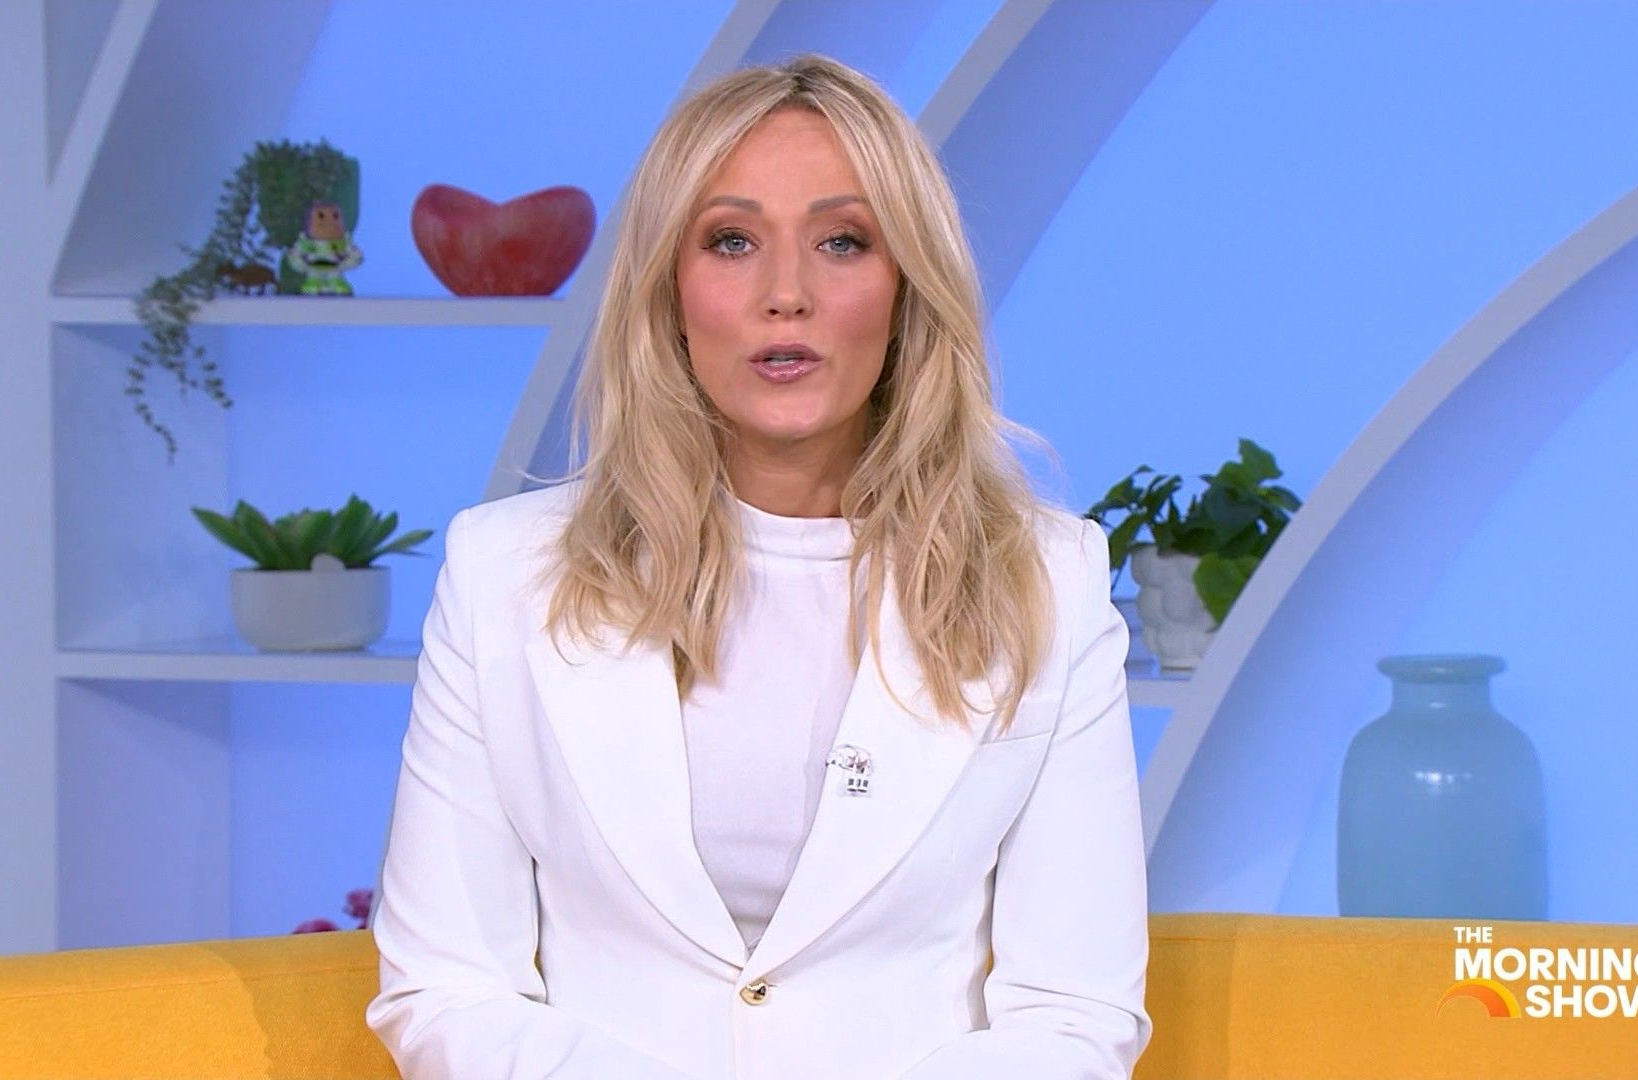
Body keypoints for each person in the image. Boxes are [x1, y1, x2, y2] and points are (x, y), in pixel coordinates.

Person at [365, 52, 1151, 1079]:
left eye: (842, 241)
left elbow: (1074, 1014)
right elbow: (446, 989)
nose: (787, 294)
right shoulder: (501, 574)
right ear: (667, 288)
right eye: (732, 241)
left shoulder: (1049, 581)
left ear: (908, 286)